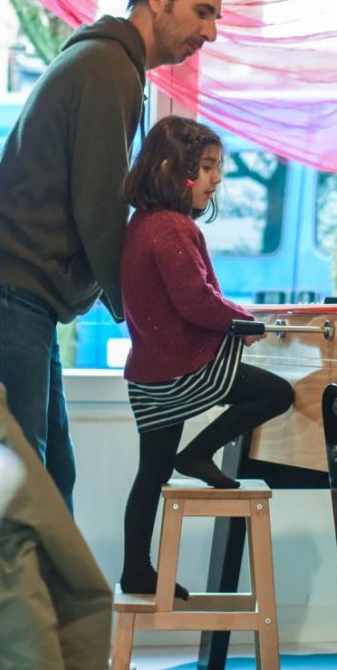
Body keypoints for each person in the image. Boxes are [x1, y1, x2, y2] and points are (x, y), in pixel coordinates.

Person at [0, 0, 228, 510]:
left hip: (21, 294)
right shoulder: (108, 69)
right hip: (8, 292)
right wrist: (146, 309)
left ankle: (56, 602)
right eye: (203, 11)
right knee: (21, 485)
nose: (211, 32)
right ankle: (10, 602)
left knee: (50, 478)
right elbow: (99, 204)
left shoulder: (109, 64)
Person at [119, 116, 294, 597]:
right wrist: (244, 322)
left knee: (150, 473)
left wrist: (235, 320)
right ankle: (197, 452)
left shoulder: (143, 224)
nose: (216, 179)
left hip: (149, 374)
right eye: (209, 167)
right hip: (180, 371)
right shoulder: (171, 229)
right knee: (276, 394)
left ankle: (136, 569)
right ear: (176, 170)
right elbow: (195, 299)